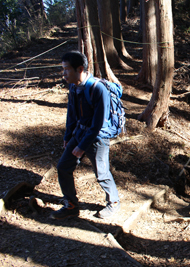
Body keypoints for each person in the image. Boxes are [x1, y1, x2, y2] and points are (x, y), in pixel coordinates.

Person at [50, 51, 120, 220]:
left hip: (98, 138)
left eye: (67, 69)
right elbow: (71, 114)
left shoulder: (98, 89)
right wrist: (68, 137)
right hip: (80, 132)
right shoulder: (74, 86)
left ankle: (114, 202)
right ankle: (71, 205)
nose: (64, 74)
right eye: (63, 69)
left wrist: (81, 147)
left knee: (101, 173)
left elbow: (97, 124)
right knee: (63, 167)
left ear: (80, 69)